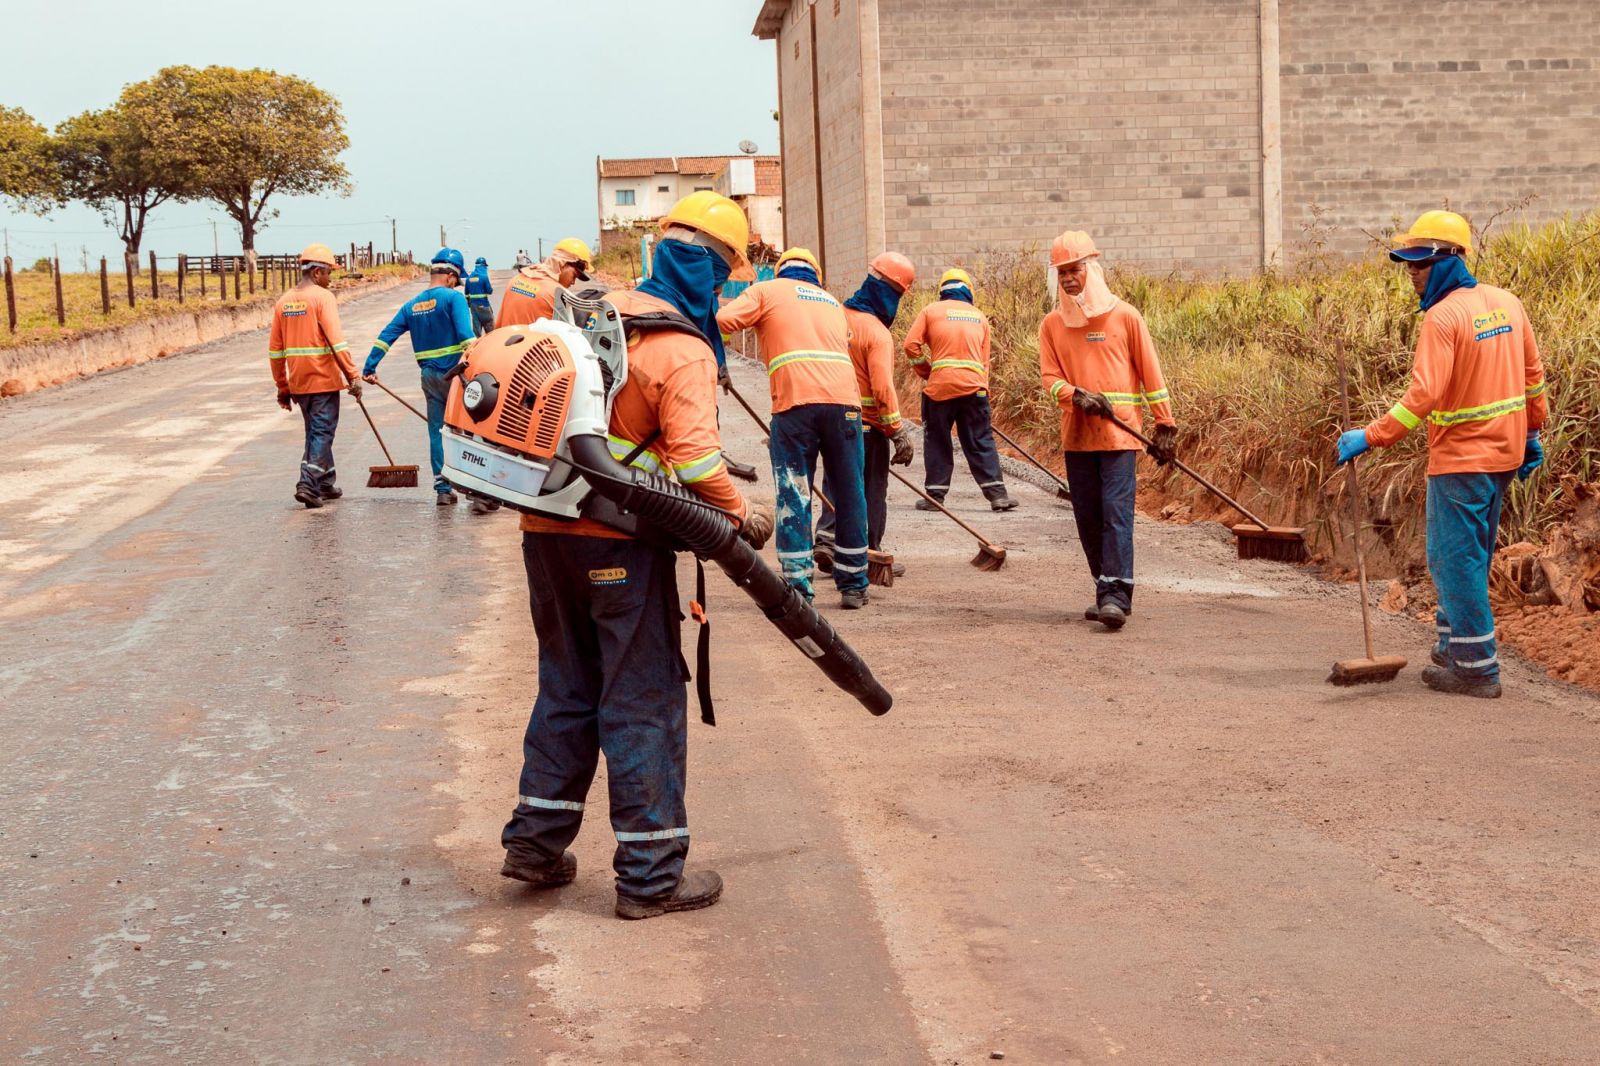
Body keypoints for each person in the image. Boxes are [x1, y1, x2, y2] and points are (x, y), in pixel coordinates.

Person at [501, 191, 774, 920]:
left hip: (545, 532)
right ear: (717, 273)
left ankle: (534, 845)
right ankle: (651, 876)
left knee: (566, 684)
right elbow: (695, 466)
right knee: (642, 698)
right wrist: (743, 514)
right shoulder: (680, 347)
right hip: (622, 546)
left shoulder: (579, 317)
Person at [1336, 210, 1547, 698]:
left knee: (1456, 562)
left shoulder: (1443, 317)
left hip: (1462, 460)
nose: (1412, 273)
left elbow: (1422, 398)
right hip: (1504, 457)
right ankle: (1455, 644)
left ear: (1450, 261)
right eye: (1408, 264)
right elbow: (1533, 376)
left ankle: (1476, 667)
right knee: (1460, 555)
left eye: (1420, 263)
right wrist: (1532, 433)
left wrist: (1370, 436)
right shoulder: (1507, 303)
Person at [716, 247, 872, 609]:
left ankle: (798, 586)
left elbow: (721, 322)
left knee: (794, 491)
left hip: (796, 405)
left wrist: (718, 357)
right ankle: (854, 583)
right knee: (850, 492)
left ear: (781, 270)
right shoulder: (831, 301)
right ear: (814, 274)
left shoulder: (768, 290)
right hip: (845, 405)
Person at [1038, 231, 1177, 631]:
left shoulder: (1125, 317)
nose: (1068, 279)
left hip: (1121, 437)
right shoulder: (1052, 325)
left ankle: (1116, 595)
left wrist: (1164, 423)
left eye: (1075, 270)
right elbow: (1049, 377)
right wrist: (1074, 394)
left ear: (1091, 269)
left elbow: (1151, 372)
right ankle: (1105, 586)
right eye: (1062, 272)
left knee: (1116, 513)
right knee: (1087, 516)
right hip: (1078, 437)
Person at [815, 252, 917, 575]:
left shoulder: (835, 315)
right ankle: (869, 550)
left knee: (837, 480)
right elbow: (883, 389)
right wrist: (898, 432)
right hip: (868, 427)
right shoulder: (877, 333)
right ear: (892, 294)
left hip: (832, 417)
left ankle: (827, 538)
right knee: (871, 489)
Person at [362, 248, 478, 507]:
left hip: (428, 376)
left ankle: (443, 488)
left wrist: (370, 366)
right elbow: (467, 339)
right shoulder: (453, 299)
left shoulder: (411, 305)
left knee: (437, 431)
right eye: (457, 281)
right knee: (471, 430)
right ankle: (477, 490)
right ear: (450, 276)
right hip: (456, 377)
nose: (456, 285)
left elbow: (386, 335)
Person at [904, 268, 1018, 512]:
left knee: (937, 439)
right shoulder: (979, 316)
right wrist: (982, 392)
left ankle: (935, 498)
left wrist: (926, 371)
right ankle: (998, 495)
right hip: (974, 388)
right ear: (969, 290)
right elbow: (984, 362)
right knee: (980, 439)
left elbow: (910, 345)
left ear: (942, 291)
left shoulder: (930, 311)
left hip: (940, 389)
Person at [268, 243, 363, 509]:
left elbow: (275, 352)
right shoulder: (323, 298)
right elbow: (337, 342)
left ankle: (325, 482)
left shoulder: (283, 302)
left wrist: (282, 387)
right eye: (329, 273)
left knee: (315, 431)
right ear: (318, 272)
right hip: (322, 380)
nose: (330, 279)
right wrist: (353, 376)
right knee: (322, 432)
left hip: (299, 382)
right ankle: (308, 484)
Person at [496, 238, 593, 328]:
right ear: (563, 263)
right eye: (574, 275)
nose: (573, 282)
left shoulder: (516, 280)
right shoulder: (558, 295)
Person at [464, 256, 494, 336]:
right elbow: (489, 291)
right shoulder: (484, 277)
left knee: (476, 330)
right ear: (483, 266)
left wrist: (469, 303)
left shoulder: (468, 278)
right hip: (484, 305)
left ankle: (477, 347)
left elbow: (466, 293)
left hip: (473, 306)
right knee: (490, 329)